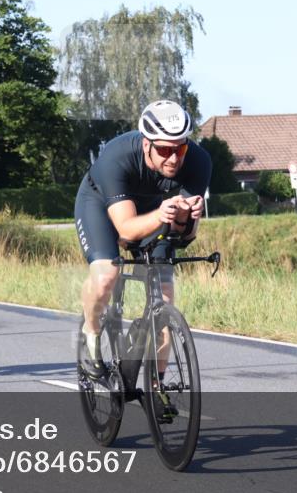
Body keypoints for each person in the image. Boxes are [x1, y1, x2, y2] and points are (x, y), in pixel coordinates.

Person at [74, 100, 212, 378]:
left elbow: (186, 236)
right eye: (164, 150)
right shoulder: (117, 157)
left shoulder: (198, 161)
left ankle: (158, 385)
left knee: (164, 295)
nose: (174, 158)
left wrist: (187, 218)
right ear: (147, 143)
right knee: (106, 276)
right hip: (101, 205)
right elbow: (125, 231)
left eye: (180, 148)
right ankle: (91, 332)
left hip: (154, 210)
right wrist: (164, 214)